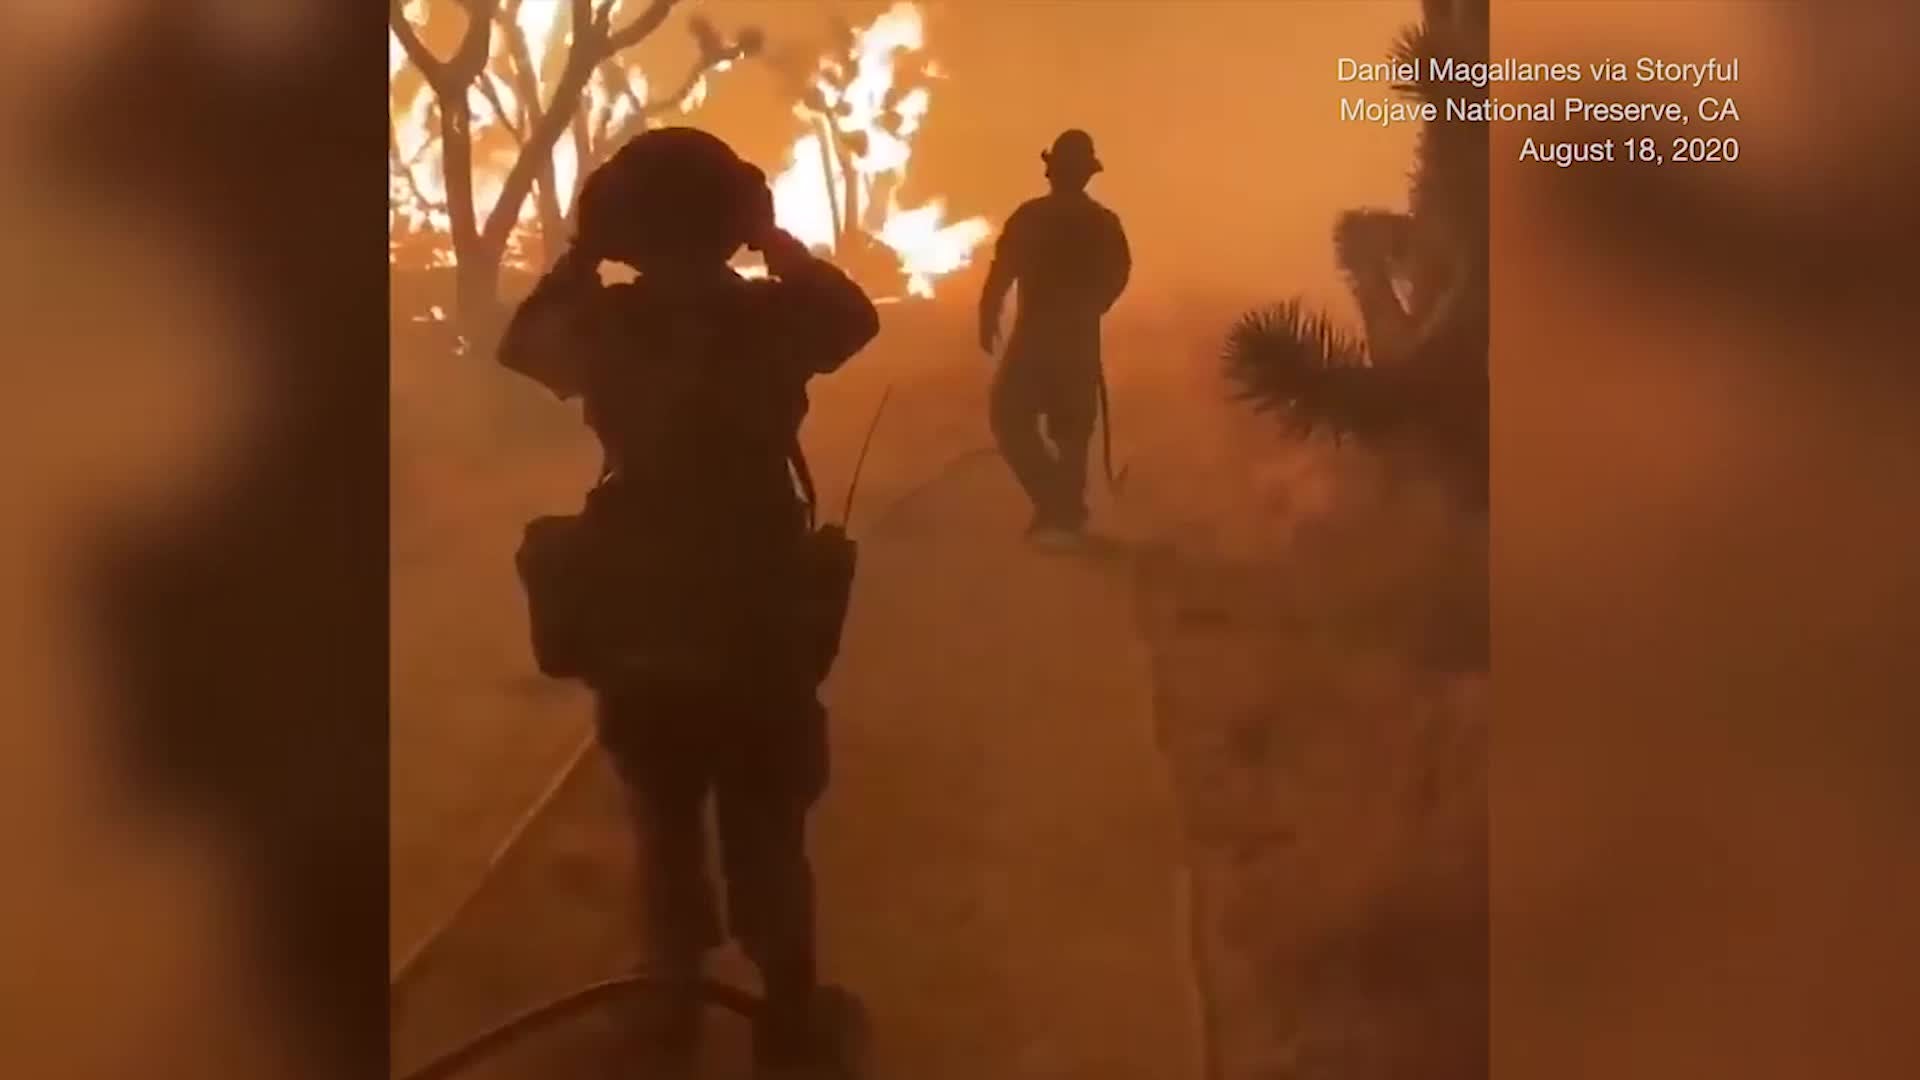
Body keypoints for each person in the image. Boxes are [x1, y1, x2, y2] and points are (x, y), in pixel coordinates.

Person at [497, 127, 880, 1077]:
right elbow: (852, 320)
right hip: (757, 607)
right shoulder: (772, 319)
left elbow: (522, 347)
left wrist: (584, 252)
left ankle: (670, 1014)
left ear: (623, 225)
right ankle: (788, 1017)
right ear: (734, 220)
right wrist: (773, 241)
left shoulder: (607, 326)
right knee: (768, 827)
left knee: (664, 824)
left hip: (643, 608)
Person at [977, 128, 1131, 546]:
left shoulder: (1032, 217)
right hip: (1075, 337)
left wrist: (988, 313)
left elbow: (1002, 270)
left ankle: (1058, 508)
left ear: (1055, 173)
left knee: (1013, 416)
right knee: (1071, 429)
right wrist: (1092, 307)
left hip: (1040, 335)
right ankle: (1063, 507)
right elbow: (1118, 274)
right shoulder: (1102, 222)